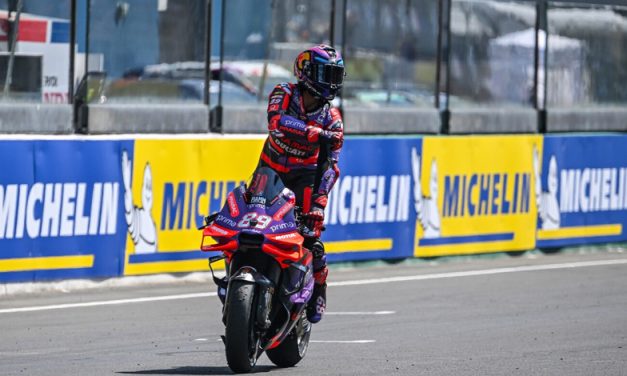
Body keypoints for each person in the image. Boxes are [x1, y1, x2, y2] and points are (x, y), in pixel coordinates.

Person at [257, 44, 345, 323]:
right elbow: (276, 122)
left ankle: (319, 286)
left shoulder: (333, 119)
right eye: (325, 73)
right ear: (306, 71)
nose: (331, 81)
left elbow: (331, 166)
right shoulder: (284, 92)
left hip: (305, 178)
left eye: (335, 75)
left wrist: (319, 204)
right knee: (251, 220)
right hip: (269, 169)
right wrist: (311, 132)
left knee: (310, 237)